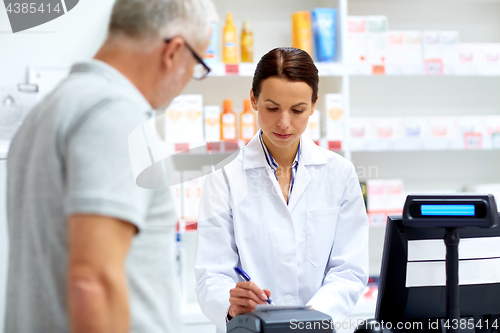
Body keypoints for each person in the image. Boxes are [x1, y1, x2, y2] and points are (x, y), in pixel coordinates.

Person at [4, 0, 216, 332]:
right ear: (174, 51)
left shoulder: (49, 110)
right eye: (198, 65)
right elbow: (93, 282)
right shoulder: (114, 116)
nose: (190, 79)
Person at [194, 47, 369, 332]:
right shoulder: (224, 177)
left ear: (314, 105)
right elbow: (211, 274)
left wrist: (313, 318)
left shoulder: (339, 173)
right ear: (253, 99)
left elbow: (349, 269)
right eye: (272, 108)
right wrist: (232, 304)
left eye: (298, 110)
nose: (284, 123)